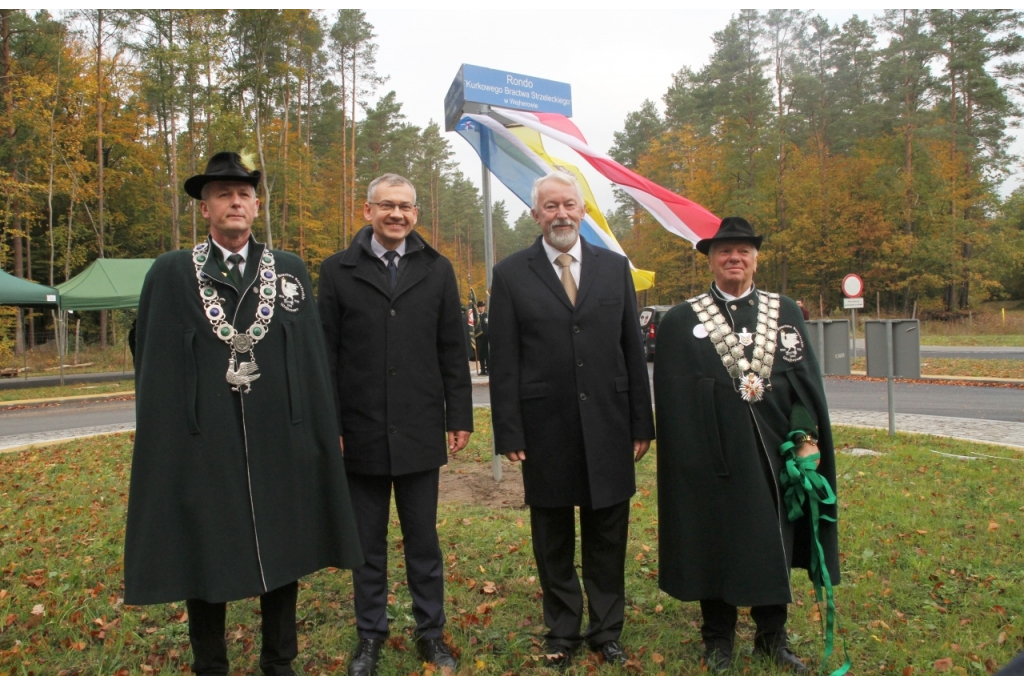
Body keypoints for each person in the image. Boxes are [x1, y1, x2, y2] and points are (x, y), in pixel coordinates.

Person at [124, 151, 364, 676]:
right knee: (203, 549)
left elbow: (312, 362)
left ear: (256, 206)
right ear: (205, 208)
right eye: (223, 195)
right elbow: (151, 358)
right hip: (203, 442)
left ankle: (280, 662)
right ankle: (210, 665)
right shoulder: (171, 273)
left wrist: (319, 432)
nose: (235, 202)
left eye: (244, 194)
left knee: (285, 547)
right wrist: (175, 428)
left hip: (281, 439)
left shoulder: (290, 272)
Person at [653, 217, 840, 674]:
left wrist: (803, 436)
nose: (733, 259)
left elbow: (802, 384)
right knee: (713, 539)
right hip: (708, 455)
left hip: (775, 451)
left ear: (756, 258)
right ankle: (717, 639)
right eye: (724, 252)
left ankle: (772, 638)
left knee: (773, 539)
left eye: (742, 251)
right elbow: (672, 396)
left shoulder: (785, 311)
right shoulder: (681, 320)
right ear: (711, 260)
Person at [488, 171, 655, 669]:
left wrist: (641, 423)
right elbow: (505, 359)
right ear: (535, 214)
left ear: (582, 211)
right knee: (553, 535)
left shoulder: (614, 267)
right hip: (545, 427)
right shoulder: (511, 273)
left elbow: (632, 346)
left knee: (608, 532)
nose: (561, 214)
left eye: (569, 205)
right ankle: (563, 628)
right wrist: (509, 429)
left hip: (609, 422)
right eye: (550, 206)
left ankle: (607, 630)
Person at [318, 173, 473, 676]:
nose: (397, 215)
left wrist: (460, 415)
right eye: (387, 206)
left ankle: (430, 632)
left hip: (420, 426)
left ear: (416, 215)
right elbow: (326, 354)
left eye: (405, 207)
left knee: (422, 540)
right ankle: (370, 635)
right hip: (358, 430)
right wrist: (332, 422)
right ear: (367, 211)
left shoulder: (437, 269)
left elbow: (453, 349)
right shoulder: (338, 271)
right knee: (367, 545)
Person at [474, 300, 489, 375]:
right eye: (480, 307)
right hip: (479, 338)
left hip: (487, 338)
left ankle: (489, 370)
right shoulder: (476, 317)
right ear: (477, 308)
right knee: (481, 354)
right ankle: (482, 369)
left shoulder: (487, 316)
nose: (481, 308)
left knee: (487, 354)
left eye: (482, 307)